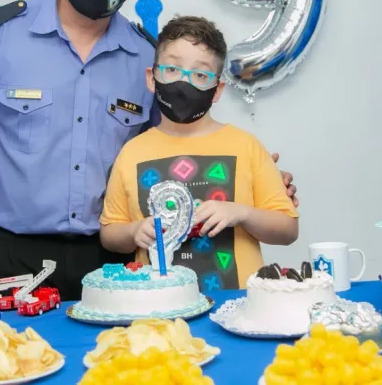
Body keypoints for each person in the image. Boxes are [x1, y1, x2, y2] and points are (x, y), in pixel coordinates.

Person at [0, 0, 298, 302]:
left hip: (114, 254)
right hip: (13, 253)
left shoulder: (145, 54)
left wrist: (256, 179)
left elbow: (175, 145)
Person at [99, 15, 299, 291]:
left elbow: (288, 230)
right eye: (172, 69)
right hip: (157, 304)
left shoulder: (246, 146)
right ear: (151, 78)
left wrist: (242, 213)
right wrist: (134, 231)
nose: (184, 82)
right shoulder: (132, 152)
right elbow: (110, 233)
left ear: (217, 90)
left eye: (201, 75)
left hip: (238, 304)